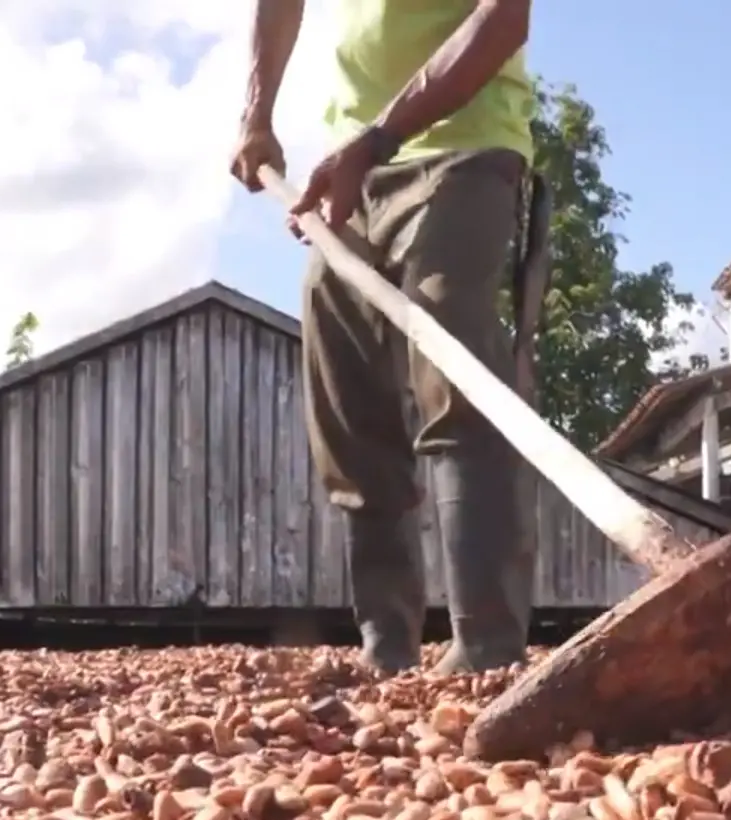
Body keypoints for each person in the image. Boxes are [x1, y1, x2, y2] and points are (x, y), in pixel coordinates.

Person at [230, 0, 540, 676]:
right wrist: (258, 115)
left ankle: (487, 651)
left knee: (452, 355)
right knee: (342, 385)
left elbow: (503, 19)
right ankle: (388, 650)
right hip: (352, 176)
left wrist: (377, 139)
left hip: (463, 148)